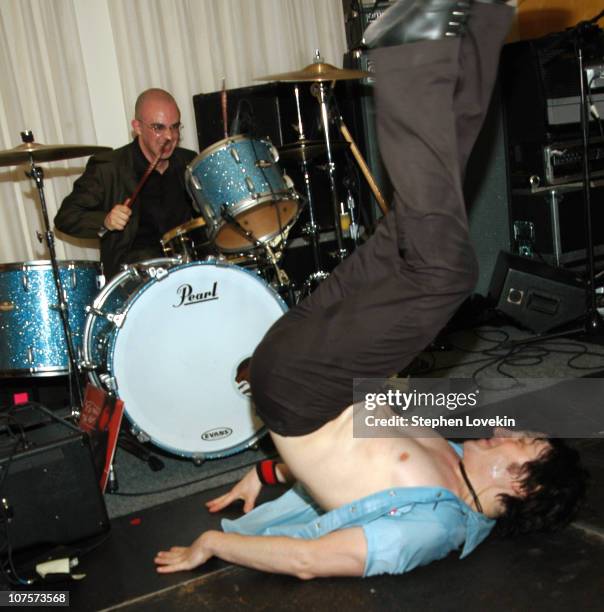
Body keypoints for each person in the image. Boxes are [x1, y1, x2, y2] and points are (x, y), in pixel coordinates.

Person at [154, 0, 586, 579]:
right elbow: (356, 448)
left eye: (524, 441)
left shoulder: (436, 526)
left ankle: (405, 47)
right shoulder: (454, 451)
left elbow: (312, 560)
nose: (510, 429)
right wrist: (267, 474)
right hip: (314, 372)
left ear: (520, 483)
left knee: (448, 274)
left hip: (303, 390)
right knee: (420, 221)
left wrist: (212, 544)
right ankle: (483, 22)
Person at [54, 88, 197, 279]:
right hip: (134, 281)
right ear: (137, 127)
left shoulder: (189, 161)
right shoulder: (109, 168)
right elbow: (66, 217)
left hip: (188, 271)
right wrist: (105, 221)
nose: (170, 136)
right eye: (158, 128)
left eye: (175, 127)